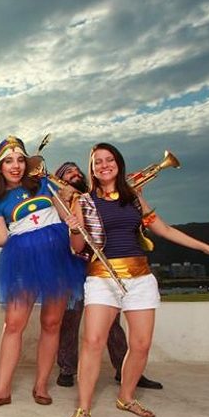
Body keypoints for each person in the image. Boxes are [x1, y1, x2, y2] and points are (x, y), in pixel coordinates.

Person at [64, 143, 209, 417]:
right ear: (92, 169)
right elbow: (77, 247)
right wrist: (72, 228)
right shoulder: (83, 202)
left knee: (141, 345)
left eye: (109, 159)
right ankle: (83, 407)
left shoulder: (134, 198)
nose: (104, 165)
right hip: (102, 278)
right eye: (97, 162)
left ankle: (127, 398)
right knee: (92, 342)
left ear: (119, 163)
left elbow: (163, 229)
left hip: (140, 277)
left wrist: (206, 249)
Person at [0, 136, 84, 409]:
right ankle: (2, 390)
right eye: (8, 161)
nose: (15, 166)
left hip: (58, 257)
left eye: (19, 160)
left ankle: (41, 384)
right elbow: (2, 238)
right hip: (22, 260)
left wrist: (73, 221)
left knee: (52, 323)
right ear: (0, 168)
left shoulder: (43, 184)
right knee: (14, 324)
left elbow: (65, 215)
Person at [52, 161, 163, 390]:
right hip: (73, 265)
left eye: (76, 171)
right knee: (71, 319)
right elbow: (63, 224)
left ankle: (126, 370)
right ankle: (66, 368)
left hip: (103, 266)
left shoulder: (96, 196)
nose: (74, 175)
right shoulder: (60, 197)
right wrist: (63, 199)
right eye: (68, 173)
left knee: (113, 323)